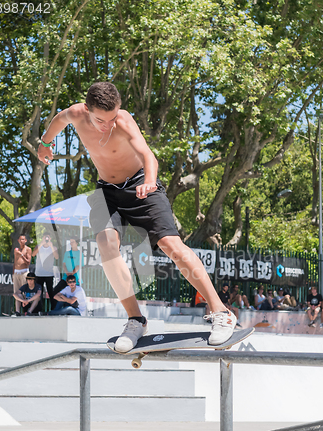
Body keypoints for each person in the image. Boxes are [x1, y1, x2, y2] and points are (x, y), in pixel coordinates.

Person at [38, 81, 236, 351]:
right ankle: (135, 320)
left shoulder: (124, 121)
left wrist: (150, 181)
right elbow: (58, 120)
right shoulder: (75, 113)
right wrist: (45, 143)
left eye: (112, 118)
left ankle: (221, 312)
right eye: (100, 120)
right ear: (87, 109)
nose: (108, 126)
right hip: (107, 192)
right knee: (106, 244)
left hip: (142, 184)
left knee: (171, 245)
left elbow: (148, 156)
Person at [32, 231, 59, 309]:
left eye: (48, 237)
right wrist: (41, 244)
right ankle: (39, 309)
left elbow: (57, 257)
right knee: (39, 293)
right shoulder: (38, 246)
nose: (46, 239)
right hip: (39, 273)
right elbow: (33, 254)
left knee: (51, 293)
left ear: (50, 238)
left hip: (49, 274)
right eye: (45, 237)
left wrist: (51, 246)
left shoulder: (54, 248)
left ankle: (53, 309)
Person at [13, 234, 32, 316]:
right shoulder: (16, 249)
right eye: (20, 239)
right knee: (16, 293)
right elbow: (15, 262)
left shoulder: (28, 249)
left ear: (26, 240)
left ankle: (26, 311)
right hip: (16, 273)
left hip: (24, 272)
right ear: (18, 241)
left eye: (23, 239)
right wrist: (13, 273)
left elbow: (28, 262)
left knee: (24, 293)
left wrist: (21, 255)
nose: (21, 241)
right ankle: (17, 311)